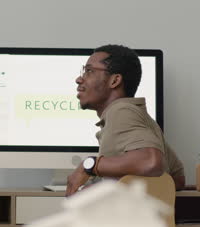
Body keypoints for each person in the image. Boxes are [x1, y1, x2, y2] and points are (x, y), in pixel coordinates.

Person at [66, 44, 185, 196]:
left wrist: (89, 165)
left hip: (128, 220)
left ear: (114, 81)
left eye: (89, 71)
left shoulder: (121, 111)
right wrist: (110, 188)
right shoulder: (139, 116)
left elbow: (151, 161)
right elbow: (177, 179)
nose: (79, 79)